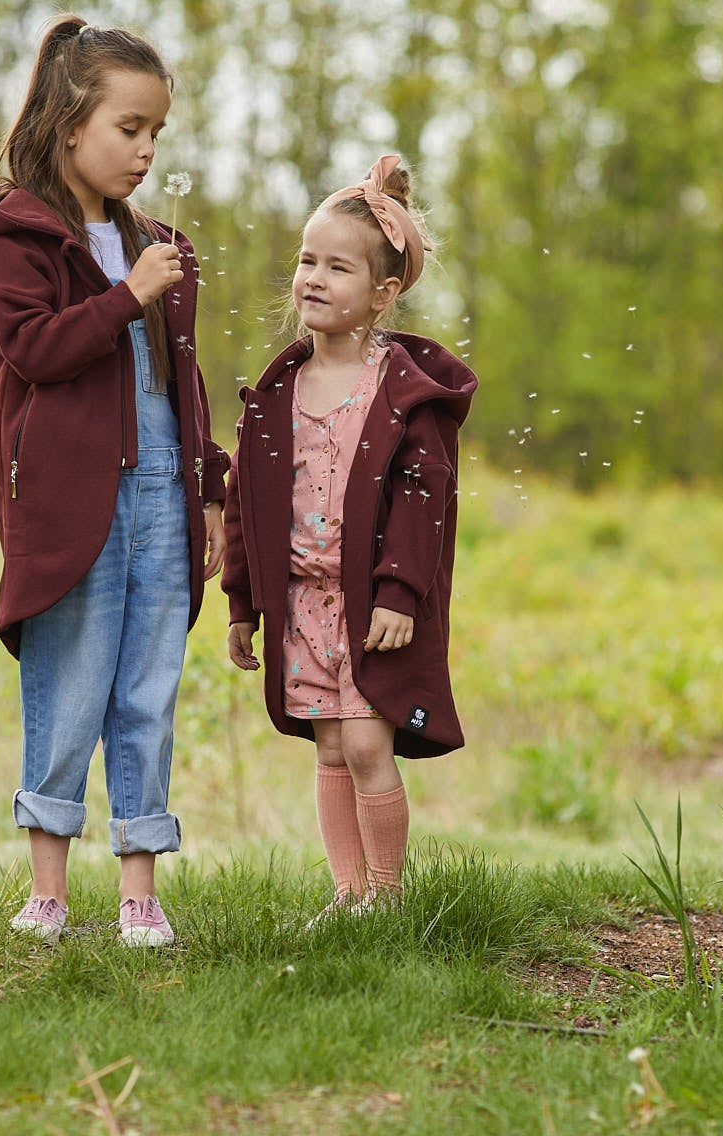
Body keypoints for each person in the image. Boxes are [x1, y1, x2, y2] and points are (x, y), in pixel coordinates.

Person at [0, 14, 228, 947]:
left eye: (157, 132)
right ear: (70, 122)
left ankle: (140, 893)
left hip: (159, 482)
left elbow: (176, 380)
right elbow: (32, 351)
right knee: (71, 683)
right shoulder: (14, 236)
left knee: (148, 685)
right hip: (71, 495)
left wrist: (216, 487)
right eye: (130, 129)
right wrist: (127, 296)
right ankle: (47, 892)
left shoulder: (151, 242)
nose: (147, 150)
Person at [221, 155, 476, 922]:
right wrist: (241, 602)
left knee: (370, 746)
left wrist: (401, 591)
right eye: (307, 261)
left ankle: (389, 899)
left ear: (383, 293)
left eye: (338, 267)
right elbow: (244, 504)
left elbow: (423, 498)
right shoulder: (276, 392)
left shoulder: (399, 390)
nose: (314, 278)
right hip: (304, 604)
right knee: (329, 746)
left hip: (371, 604)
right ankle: (348, 893)